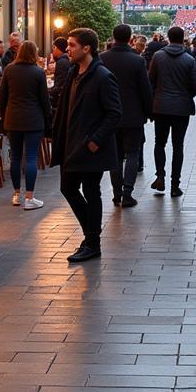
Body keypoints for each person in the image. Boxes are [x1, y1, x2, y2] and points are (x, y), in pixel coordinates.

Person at [51, 28, 122, 263]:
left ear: (86, 48)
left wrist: (94, 141)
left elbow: (114, 114)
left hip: (90, 148)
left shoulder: (102, 76)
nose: (67, 49)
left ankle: (92, 242)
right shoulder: (73, 72)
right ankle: (92, 235)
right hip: (72, 144)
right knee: (68, 188)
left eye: (72, 45)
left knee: (92, 192)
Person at [101, 23, 153, 208]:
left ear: (113, 37)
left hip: (109, 115)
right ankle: (127, 192)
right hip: (133, 115)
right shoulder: (137, 61)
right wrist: (149, 112)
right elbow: (145, 89)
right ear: (131, 39)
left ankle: (116, 194)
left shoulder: (102, 58)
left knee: (115, 155)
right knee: (132, 154)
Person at [0, 40, 52, 210]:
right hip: (33, 120)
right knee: (30, 158)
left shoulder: (9, 70)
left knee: (15, 156)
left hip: (12, 119)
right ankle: (29, 197)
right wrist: (48, 119)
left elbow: (2, 97)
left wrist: (4, 116)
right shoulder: (38, 72)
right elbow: (44, 100)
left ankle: (16, 194)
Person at [149, 25, 196, 197]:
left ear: (168, 38)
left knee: (159, 143)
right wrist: (185, 95)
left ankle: (160, 176)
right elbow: (195, 85)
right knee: (178, 146)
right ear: (182, 37)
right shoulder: (189, 59)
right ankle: (175, 184)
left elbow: (152, 81)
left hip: (161, 105)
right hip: (181, 108)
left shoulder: (158, 56)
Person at [49, 36, 71, 111]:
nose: (53, 50)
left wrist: (47, 91)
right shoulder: (65, 60)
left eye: (54, 47)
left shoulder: (61, 62)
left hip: (59, 100)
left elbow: (59, 85)